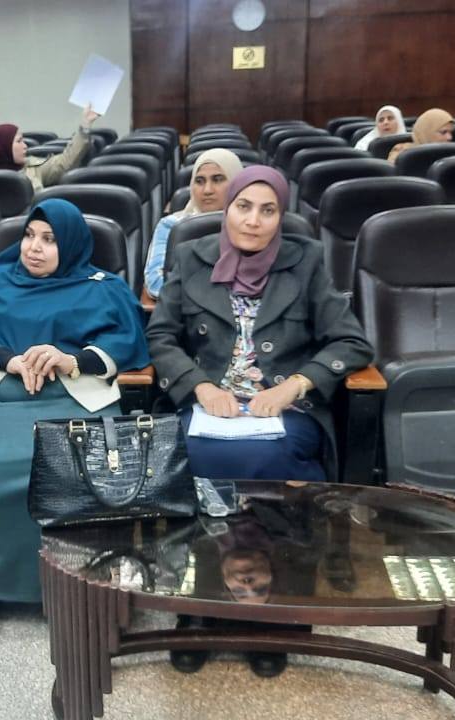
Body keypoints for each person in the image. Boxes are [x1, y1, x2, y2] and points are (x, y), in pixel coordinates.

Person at [146, 165, 372, 678]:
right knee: (189, 453)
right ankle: (196, 606)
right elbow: (161, 337)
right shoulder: (191, 256)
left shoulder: (306, 260)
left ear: (281, 215)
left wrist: (296, 385)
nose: (253, 220)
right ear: (227, 209)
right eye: (243, 207)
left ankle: (276, 611)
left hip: (283, 410)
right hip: (208, 406)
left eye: (268, 210)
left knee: (276, 456)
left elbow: (351, 341)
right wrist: (200, 387)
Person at [0, 199, 150, 653]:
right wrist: (10, 360)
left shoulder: (103, 287)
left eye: (50, 240)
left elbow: (128, 338)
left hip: (72, 394)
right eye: (29, 236)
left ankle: (80, 583)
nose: (34, 248)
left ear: (72, 245)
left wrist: (70, 359)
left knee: (76, 474)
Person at [143, 148, 244, 298]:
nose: (207, 190)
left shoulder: (251, 225)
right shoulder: (171, 225)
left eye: (217, 179)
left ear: (237, 183)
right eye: (199, 181)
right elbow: (156, 284)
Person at [0, 105, 101, 192]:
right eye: (19, 141)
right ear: (3, 148)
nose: (25, 146)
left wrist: (85, 126)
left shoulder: (32, 167)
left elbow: (64, 163)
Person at [386, 108, 453, 164]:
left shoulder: (451, 154)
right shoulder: (401, 153)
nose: (450, 137)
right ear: (427, 132)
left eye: (450, 132)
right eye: (443, 132)